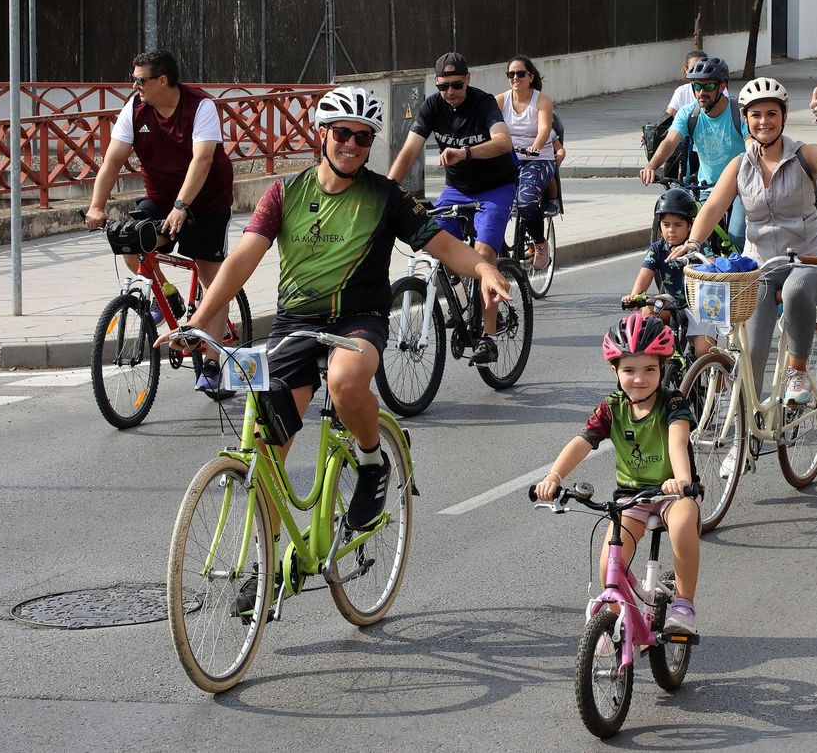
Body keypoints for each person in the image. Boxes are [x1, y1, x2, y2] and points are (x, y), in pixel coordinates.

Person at [176, 86, 510, 610]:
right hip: (295, 322)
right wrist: (197, 322)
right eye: (342, 134)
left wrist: (484, 268)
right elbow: (241, 261)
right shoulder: (284, 193)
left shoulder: (384, 196)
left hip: (359, 320)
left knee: (344, 380)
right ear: (322, 135)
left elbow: (444, 245)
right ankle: (269, 565)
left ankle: (372, 462)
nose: (352, 144)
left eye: (363, 137)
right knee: (267, 448)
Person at [671, 77, 817, 422]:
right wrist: (693, 241)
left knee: (796, 289)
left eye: (772, 113)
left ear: (783, 117)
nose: (764, 121)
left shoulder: (802, 156)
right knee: (750, 352)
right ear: (745, 119)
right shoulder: (740, 165)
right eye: (755, 115)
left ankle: (797, 372)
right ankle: (745, 431)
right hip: (763, 269)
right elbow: (713, 207)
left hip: (812, 262)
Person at [535, 315, 701, 636]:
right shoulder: (612, 408)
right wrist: (554, 476)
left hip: (673, 493)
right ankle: (617, 622)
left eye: (649, 369)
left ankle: (684, 604)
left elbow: (677, 441)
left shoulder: (672, 402)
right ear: (615, 371)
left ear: (662, 368)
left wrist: (681, 479)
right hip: (632, 497)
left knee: (682, 527)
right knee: (609, 565)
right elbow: (582, 442)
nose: (639, 379)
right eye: (629, 370)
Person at [86, 50, 234, 391]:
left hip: (206, 201)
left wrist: (182, 206)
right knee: (128, 241)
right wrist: (96, 206)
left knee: (211, 279)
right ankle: (168, 295)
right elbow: (112, 161)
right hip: (162, 198)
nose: (134, 86)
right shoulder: (134, 110)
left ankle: (214, 363)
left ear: (162, 80)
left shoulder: (200, 107)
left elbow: (202, 159)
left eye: (140, 80)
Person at [388, 52, 516, 364]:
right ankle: (463, 300)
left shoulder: (484, 103)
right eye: (443, 86)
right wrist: (386, 192)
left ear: (468, 79)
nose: (450, 92)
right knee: (435, 245)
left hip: (495, 188)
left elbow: (504, 142)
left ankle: (488, 337)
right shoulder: (432, 106)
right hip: (458, 189)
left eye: (456, 85)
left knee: (483, 253)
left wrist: (465, 152)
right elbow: (409, 151)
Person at [641, 55, 748, 250]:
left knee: (736, 234)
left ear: (722, 86)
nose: (701, 92)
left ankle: (744, 269)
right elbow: (670, 141)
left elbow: (753, 145)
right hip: (709, 187)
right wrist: (652, 166)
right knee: (696, 236)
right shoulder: (689, 113)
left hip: (741, 186)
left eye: (708, 86)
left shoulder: (738, 113)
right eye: (697, 86)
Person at [625, 188, 714, 356]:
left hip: (699, 306)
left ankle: (713, 371)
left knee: (704, 351)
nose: (671, 230)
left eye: (678, 225)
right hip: (671, 300)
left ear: (690, 226)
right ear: (659, 226)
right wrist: (635, 297)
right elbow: (645, 273)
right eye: (666, 225)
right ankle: (663, 348)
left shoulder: (699, 246)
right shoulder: (657, 248)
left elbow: (712, 267)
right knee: (648, 310)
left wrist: (701, 260)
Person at [496, 55, 557, 271]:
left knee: (527, 202)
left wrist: (536, 146)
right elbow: (486, 125)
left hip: (538, 159)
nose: (515, 78)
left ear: (530, 76)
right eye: (511, 74)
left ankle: (540, 243)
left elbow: (544, 129)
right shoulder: (500, 101)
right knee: (484, 201)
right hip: (508, 159)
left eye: (520, 73)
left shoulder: (542, 101)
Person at [667, 50, 709, 117]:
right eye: (693, 67)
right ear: (686, 69)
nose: (698, 71)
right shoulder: (681, 91)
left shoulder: (717, 88)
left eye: (701, 67)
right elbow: (669, 116)